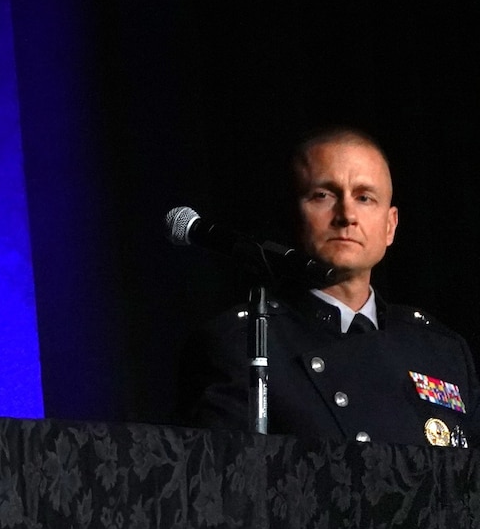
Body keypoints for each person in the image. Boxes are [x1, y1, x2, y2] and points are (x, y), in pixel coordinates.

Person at [176, 129, 474, 446]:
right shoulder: (243, 342)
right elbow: (219, 484)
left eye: (364, 198)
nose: (347, 215)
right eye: (323, 195)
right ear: (291, 213)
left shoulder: (442, 350)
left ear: (390, 226)